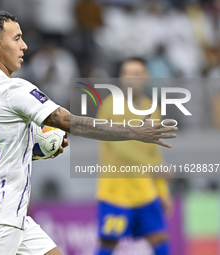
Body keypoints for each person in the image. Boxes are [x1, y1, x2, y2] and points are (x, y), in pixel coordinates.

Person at [0, 11, 177, 255]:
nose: (24, 45)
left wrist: (37, 148)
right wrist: (133, 132)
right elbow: (72, 123)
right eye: (17, 38)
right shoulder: (14, 90)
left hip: (8, 213)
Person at [95, 57, 171, 255]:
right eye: (127, 73)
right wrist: (151, 165)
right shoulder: (110, 106)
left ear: (146, 77)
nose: (131, 78)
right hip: (115, 193)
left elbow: (155, 150)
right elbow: (120, 146)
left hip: (145, 192)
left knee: (160, 241)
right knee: (107, 246)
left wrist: (163, 192)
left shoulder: (152, 109)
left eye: (136, 74)